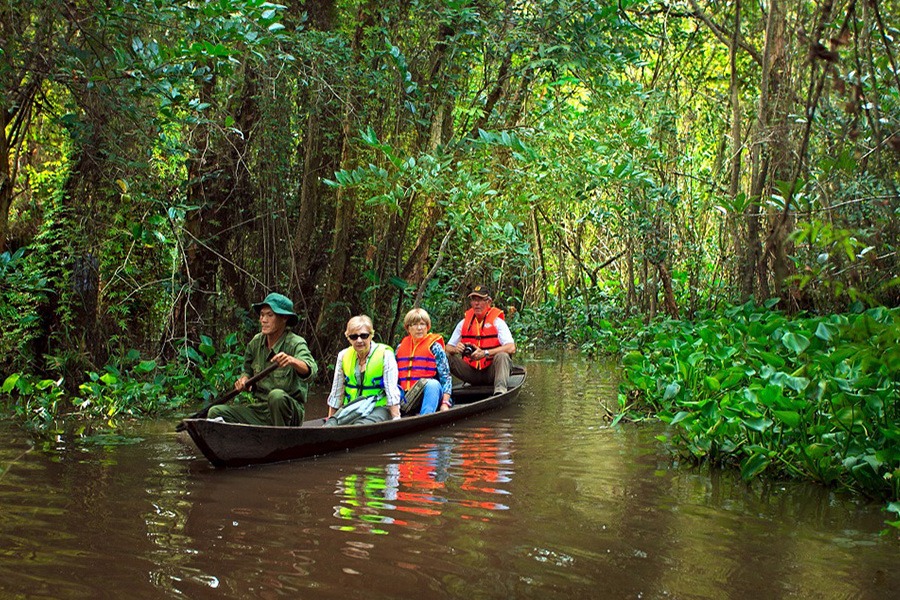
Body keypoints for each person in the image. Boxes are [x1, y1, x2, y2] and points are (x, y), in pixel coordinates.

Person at [208, 292, 317, 426]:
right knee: (215, 412)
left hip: (288, 413)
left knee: (276, 396)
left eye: (270, 315)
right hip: (261, 411)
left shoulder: (295, 343)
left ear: (284, 318)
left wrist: (292, 360)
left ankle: (281, 440)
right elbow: (247, 370)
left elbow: (311, 371)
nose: (263, 320)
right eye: (262, 315)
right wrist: (243, 379)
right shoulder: (256, 343)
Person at [324, 315, 402, 426]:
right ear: (348, 338)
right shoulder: (343, 355)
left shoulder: (385, 355)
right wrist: (331, 419)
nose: (359, 340)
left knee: (359, 426)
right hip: (352, 407)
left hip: (378, 407)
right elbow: (337, 391)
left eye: (364, 335)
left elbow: (392, 390)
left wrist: (396, 419)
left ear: (371, 335)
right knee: (329, 425)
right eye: (354, 337)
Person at [446, 284, 516, 394]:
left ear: (489, 302)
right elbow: (448, 347)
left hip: (491, 372)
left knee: (503, 355)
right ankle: (444, 393)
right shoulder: (464, 323)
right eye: (474, 300)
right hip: (471, 372)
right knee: (445, 356)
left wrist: (485, 353)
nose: (477, 303)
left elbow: (511, 347)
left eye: (480, 300)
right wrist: (456, 349)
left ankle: (500, 391)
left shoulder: (498, 322)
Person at [395, 308, 452, 414]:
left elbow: (446, 377)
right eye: (415, 324)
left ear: (427, 327)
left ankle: (425, 416)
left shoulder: (435, 347)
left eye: (422, 324)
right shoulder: (400, 348)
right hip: (407, 397)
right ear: (408, 328)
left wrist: (445, 403)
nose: (419, 328)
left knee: (433, 384)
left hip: (429, 394)